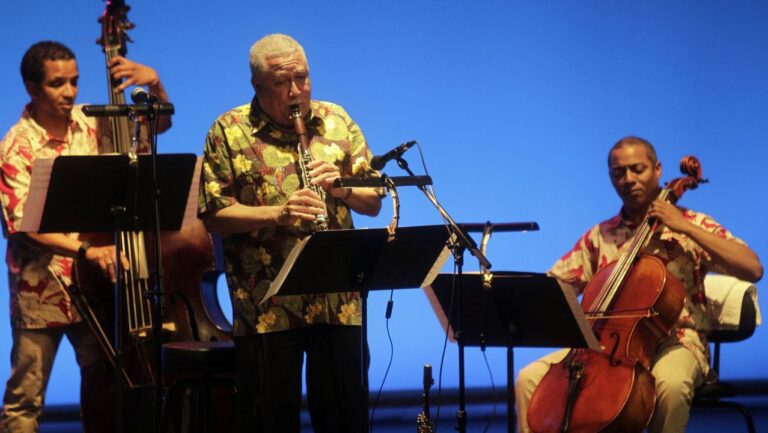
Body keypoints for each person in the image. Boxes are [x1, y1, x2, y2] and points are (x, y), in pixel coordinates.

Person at [198, 33, 383, 433]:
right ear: (259, 87)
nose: (297, 90)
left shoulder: (336, 120)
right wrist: (277, 214)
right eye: (283, 82)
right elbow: (213, 214)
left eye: (302, 77)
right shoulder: (229, 131)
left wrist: (343, 188)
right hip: (268, 305)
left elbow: (374, 202)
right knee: (269, 421)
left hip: (339, 301)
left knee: (345, 420)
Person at [515, 136, 763, 433]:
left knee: (669, 387)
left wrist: (683, 226)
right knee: (529, 379)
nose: (628, 179)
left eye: (637, 169)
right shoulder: (600, 236)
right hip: (605, 347)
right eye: (619, 173)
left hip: (677, 341)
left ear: (657, 170)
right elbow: (554, 286)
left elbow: (752, 267)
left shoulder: (691, 225)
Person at [0, 40, 172, 433]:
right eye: (58, 84)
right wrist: (87, 250)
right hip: (41, 292)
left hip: (96, 290)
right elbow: (24, 223)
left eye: (74, 81)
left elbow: (157, 128)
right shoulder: (15, 147)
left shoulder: (94, 123)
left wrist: (157, 86)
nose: (70, 92)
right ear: (31, 88)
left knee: (105, 389)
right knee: (25, 399)